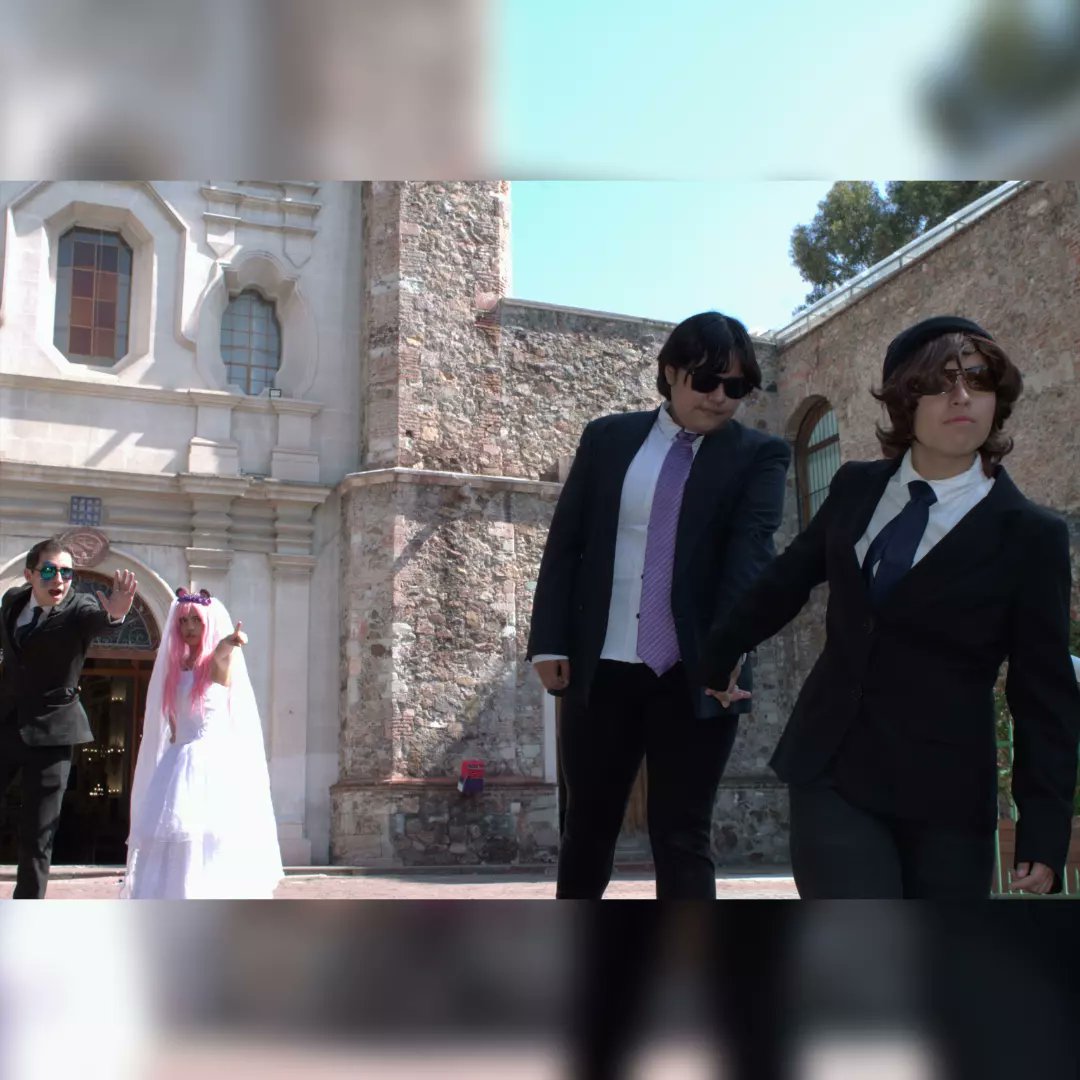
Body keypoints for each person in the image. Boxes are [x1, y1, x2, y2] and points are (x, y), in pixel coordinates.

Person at [703, 316, 1080, 898]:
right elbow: (786, 579)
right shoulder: (855, 487)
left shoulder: (1032, 536)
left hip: (947, 794)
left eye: (978, 381)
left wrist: (1043, 828)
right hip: (830, 764)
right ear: (906, 400)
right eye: (941, 382)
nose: (962, 396)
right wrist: (722, 650)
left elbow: (1044, 694)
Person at [526, 311, 791, 899]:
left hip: (700, 673)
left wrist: (727, 654)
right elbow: (567, 542)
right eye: (707, 380)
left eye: (736, 387)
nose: (720, 398)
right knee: (586, 828)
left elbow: (750, 556)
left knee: (684, 834)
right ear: (671, 372)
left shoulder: (761, 456)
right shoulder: (607, 439)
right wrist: (547, 641)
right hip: (601, 666)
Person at [123, 589, 283, 899]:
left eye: (196, 621)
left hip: (208, 760)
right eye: (184, 622)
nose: (190, 627)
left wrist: (234, 640)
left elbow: (224, 650)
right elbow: (173, 725)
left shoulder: (215, 663)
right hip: (176, 761)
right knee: (174, 836)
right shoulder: (175, 669)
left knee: (207, 835)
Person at [0, 537, 137, 898]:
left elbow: (100, 621)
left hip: (54, 733)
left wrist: (116, 614)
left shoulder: (80, 609)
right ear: (29, 575)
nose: (58, 579)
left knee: (37, 834)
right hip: (7, 724)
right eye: (49, 571)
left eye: (66, 572)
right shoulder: (12, 602)